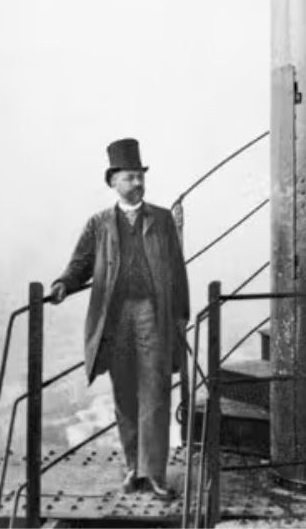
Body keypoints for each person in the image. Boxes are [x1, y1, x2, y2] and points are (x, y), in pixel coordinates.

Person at [49, 139, 190, 500]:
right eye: (129, 178)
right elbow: (81, 263)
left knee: (156, 391)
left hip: (152, 314)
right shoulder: (98, 224)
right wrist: (64, 283)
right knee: (125, 393)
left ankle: (154, 474)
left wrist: (181, 318)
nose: (138, 183)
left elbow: (177, 272)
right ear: (113, 181)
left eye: (140, 177)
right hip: (115, 319)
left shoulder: (161, 220)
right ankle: (133, 469)